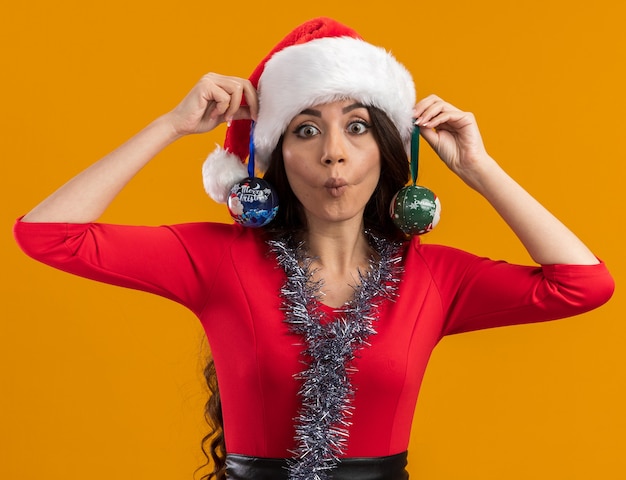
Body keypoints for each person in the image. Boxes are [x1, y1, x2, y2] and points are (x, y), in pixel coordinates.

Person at [13, 16, 614, 480]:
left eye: (356, 126)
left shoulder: (433, 277)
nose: (334, 152)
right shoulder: (217, 259)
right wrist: (171, 125)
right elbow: (48, 235)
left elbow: (583, 284)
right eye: (306, 129)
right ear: (274, 159)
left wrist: (479, 168)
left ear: (385, 147)